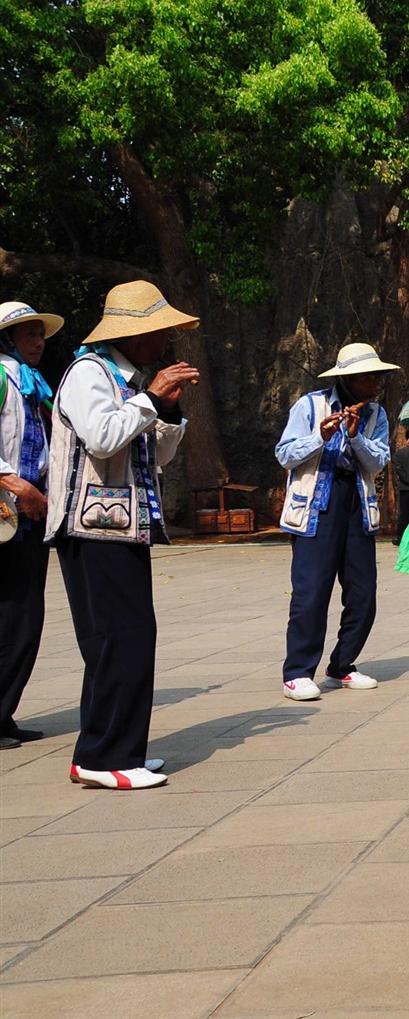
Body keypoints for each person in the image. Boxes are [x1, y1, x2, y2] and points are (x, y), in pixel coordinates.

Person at [45, 281, 201, 789]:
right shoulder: (88, 374)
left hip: (118, 526)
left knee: (124, 638)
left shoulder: (124, 379)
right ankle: (104, 757)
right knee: (119, 638)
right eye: (160, 332)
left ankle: (112, 749)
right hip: (92, 530)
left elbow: (153, 455)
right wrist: (151, 398)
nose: (166, 342)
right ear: (135, 335)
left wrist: (168, 409)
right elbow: (102, 436)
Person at [276, 342, 396, 701]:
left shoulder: (376, 414)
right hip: (317, 505)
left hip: (356, 504)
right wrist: (321, 436)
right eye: (369, 375)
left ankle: (341, 666)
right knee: (311, 591)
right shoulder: (310, 405)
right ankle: (297, 671)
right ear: (350, 378)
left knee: (364, 593)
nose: (376, 381)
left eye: (378, 375)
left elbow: (378, 462)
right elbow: (285, 454)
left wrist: (356, 436)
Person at [1, 301, 64, 751]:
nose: (39, 342)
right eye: (28, 335)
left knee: (24, 615)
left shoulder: (32, 384)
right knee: (11, 615)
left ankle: (4, 712)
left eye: (40, 334)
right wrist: (14, 482)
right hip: (8, 508)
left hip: (29, 516)